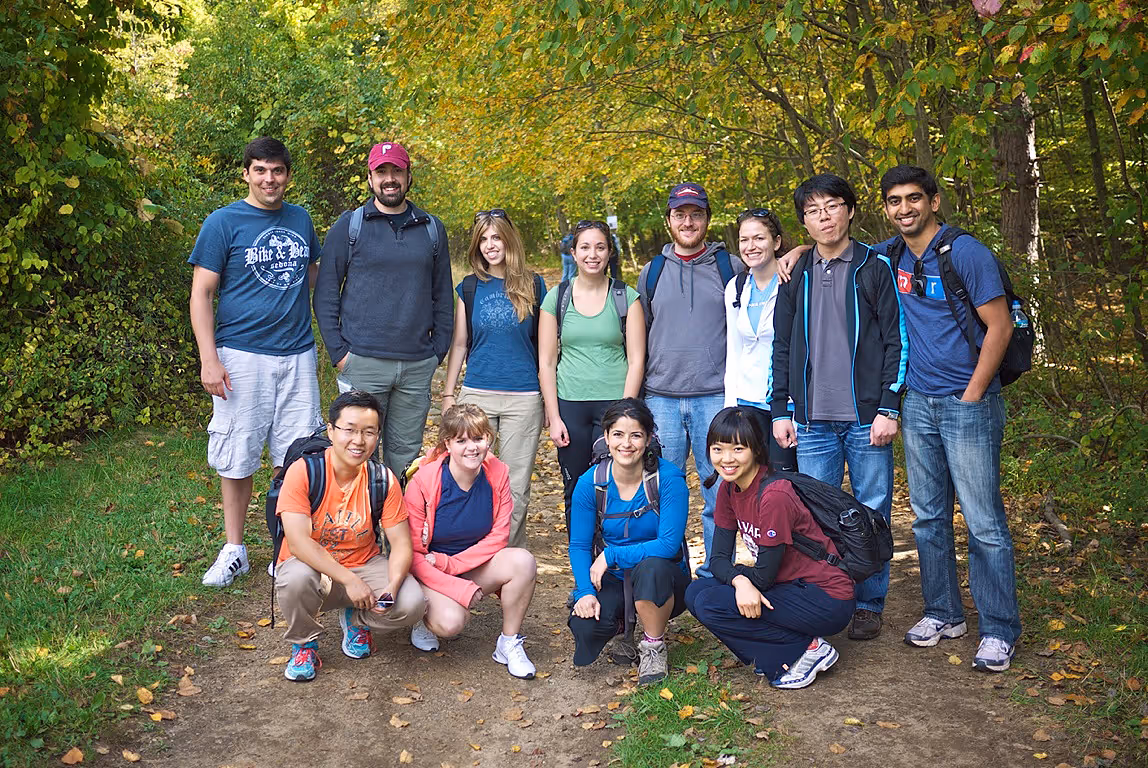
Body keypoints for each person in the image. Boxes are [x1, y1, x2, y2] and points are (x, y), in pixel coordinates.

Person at [877, 165, 1020, 671]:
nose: (904, 209)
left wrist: (972, 394)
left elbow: (999, 328)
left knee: (983, 522)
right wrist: (798, 250)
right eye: (894, 201)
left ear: (934, 202)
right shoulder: (891, 254)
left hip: (967, 403)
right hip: (917, 402)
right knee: (928, 517)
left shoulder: (967, 253)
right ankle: (944, 612)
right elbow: (839, 251)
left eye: (913, 199)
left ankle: (999, 628)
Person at [770, 173, 907, 642]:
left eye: (831, 206)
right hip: (810, 421)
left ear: (850, 210)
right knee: (814, 516)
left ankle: (869, 603)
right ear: (804, 222)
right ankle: (826, 596)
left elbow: (896, 340)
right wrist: (780, 410)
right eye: (812, 210)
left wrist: (890, 407)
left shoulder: (874, 266)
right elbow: (782, 345)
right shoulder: (796, 271)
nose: (823, 216)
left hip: (867, 419)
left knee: (871, 510)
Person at [188, 137, 322, 588]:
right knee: (237, 455)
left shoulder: (301, 220)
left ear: (288, 175)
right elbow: (202, 293)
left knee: (298, 456)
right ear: (245, 173)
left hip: (298, 354)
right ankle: (235, 550)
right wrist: (209, 358)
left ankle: (288, 546)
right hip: (241, 355)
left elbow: (316, 286)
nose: (269, 179)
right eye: (260, 170)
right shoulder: (223, 222)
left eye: (278, 171)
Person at [685, 407, 855, 688]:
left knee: (710, 602)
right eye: (718, 449)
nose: (727, 459)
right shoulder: (730, 488)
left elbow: (763, 577)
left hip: (826, 597)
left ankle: (806, 649)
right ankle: (780, 650)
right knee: (695, 592)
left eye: (738, 449)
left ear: (756, 450)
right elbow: (717, 559)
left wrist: (740, 579)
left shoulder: (774, 495)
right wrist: (740, 579)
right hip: (787, 586)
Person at [313, 141, 453, 476]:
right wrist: (340, 353)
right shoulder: (350, 226)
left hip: (417, 365)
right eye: (382, 172)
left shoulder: (431, 229)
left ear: (408, 175)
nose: (389, 179)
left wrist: (436, 353)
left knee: (404, 462)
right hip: (362, 363)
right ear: (370, 177)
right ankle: (357, 529)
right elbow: (326, 293)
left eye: (396, 171)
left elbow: (443, 297)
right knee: (355, 457)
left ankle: (395, 530)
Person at [274, 390, 425, 682]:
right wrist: (350, 580)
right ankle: (304, 644)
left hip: (364, 563)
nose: (359, 441)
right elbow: (298, 543)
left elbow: (402, 545)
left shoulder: (382, 479)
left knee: (411, 603)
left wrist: (391, 588)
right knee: (295, 578)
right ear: (331, 431)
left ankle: (355, 618)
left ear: (378, 436)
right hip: (312, 568)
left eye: (369, 432)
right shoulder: (304, 472)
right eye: (350, 430)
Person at [637, 183, 744, 579]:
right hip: (661, 397)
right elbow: (640, 333)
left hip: (714, 397)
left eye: (696, 214)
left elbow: (772, 273)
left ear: (707, 220)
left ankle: (717, 572)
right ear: (668, 221)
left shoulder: (729, 266)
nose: (688, 221)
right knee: (664, 492)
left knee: (719, 492)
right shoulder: (652, 272)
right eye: (680, 214)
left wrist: (797, 250)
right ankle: (670, 571)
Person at [404, 404, 539, 679]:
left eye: (478, 439)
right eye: (461, 440)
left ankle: (509, 642)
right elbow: (412, 553)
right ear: (448, 444)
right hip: (429, 570)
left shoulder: (497, 473)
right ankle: (423, 616)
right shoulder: (423, 482)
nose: (472, 447)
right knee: (451, 623)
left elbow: (499, 537)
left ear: (488, 439)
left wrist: (452, 565)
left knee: (523, 561)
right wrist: (455, 585)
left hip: (468, 564)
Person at [442, 210, 546, 549]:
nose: (490, 245)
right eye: (484, 239)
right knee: (472, 478)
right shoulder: (469, 288)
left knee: (515, 487)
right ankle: (473, 555)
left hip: (524, 397)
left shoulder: (534, 285)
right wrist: (448, 395)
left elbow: (546, 351)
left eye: (497, 237)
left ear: (509, 240)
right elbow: (459, 344)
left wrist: (549, 402)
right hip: (477, 396)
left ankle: (508, 562)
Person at [567, 399, 691, 685]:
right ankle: (624, 621)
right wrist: (585, 591)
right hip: (614, 580)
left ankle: (653, 646)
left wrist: (611, 556)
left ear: (648, 439)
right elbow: (579, 545)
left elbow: (668, 545)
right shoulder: (591, 482)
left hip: (664, 577)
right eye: (618, 435)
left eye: (636, 435)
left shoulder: (668, 479)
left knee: (652, 569)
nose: (627, 444)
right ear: (607, 438)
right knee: (585, 628)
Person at [539, 220, 646, 522]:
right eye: (585, 247)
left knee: (616, 486)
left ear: (610, 251)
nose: (592, 254)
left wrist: (626, 414)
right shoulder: (556, 298)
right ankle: (582, 565)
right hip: (570, 405)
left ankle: (614, 562)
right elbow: (546, 362)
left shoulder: (627, 297)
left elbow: (637, 359)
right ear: (573, 252)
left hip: (614, 405)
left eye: (600, 247)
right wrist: (554, 416)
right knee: (576, 490)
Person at [723, 207, 797, 472]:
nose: (750, 246)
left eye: (759, 238)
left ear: (776, 242)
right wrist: (730, 406)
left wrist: (800, 249)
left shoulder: (793, 280)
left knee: (784, 483)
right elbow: (734, 348)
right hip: (747, 403)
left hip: (786, 404)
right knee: (752, 483)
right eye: (744, 240)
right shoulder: (737, 286)